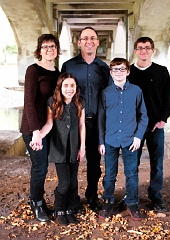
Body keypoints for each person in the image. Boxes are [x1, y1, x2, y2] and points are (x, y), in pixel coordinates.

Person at [119, 37, 170, 212]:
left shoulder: (161, 72)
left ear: (153, 50)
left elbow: (167, 99)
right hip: (134, 128)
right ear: (135, 51)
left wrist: (163, 120)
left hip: (155, 126)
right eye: (140, 48)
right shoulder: (129, 73)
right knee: (131, 163)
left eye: (147, 48)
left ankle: (155, 196)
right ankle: (131, 195)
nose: (144, 51)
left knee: (156, 163)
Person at [61, 26, 111, 211]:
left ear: (98, 42)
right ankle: (72, 199)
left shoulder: (104, 68)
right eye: (85, 38)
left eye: (93, 38)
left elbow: (109, 97)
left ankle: (92, 196)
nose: (89, 41)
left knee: (95, 164)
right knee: (72, 161)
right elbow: (62, 93)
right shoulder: (69, 66)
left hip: (97, 122)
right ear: (79, 42)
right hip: (74, 123)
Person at [98, 58, 148, 220]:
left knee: (132, 174)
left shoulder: (136, 91)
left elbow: (143, 116)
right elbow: (101, 119)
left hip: (130, 141)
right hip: (110, 140)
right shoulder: (105, 93)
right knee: (109, 174)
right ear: (111, 73)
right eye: (115, 70)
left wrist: (138, 137)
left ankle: (132, 203)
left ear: (128, 71)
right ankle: (107, 202)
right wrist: (101, 141)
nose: (118, 72)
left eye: (122, 69)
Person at [34, 73, 85, 225]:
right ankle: (59, 209)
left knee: (73, 182)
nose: (69, 89)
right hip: (60, 148)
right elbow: (49, 124)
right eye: (66, 86)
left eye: (72, 86)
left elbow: (82, 126)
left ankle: (69, 209)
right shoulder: (53, 102)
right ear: (60, 87)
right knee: (64, 182)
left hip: (74, 147)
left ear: (76, 88)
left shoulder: (80, 102)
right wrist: (39, 136)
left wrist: (82, 147)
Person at [20, 34, 61, 222]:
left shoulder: (58, 72)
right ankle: (36, 201)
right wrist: (36, 131)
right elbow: (28, 102)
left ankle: (42, 200)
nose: (49, 49)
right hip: (33, 128)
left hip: (50, 126)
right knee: (40, 167)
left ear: (57, 49)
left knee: (46, 166)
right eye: (45, 46)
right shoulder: (33, 70)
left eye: (52, 46)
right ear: (39, 50)